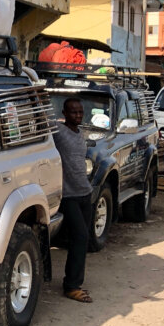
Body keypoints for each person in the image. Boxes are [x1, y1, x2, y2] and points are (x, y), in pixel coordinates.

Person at [52, 97, 94, 303]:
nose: (77, 115)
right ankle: (72, 287)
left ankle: (74, 281)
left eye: (80, 112)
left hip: (84, 193)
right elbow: (42, 119)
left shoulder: (80, 135)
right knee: (80, 237)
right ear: (64, 113)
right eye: (73, 112)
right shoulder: (58, 132)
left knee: (81, 240)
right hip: (68, 195)